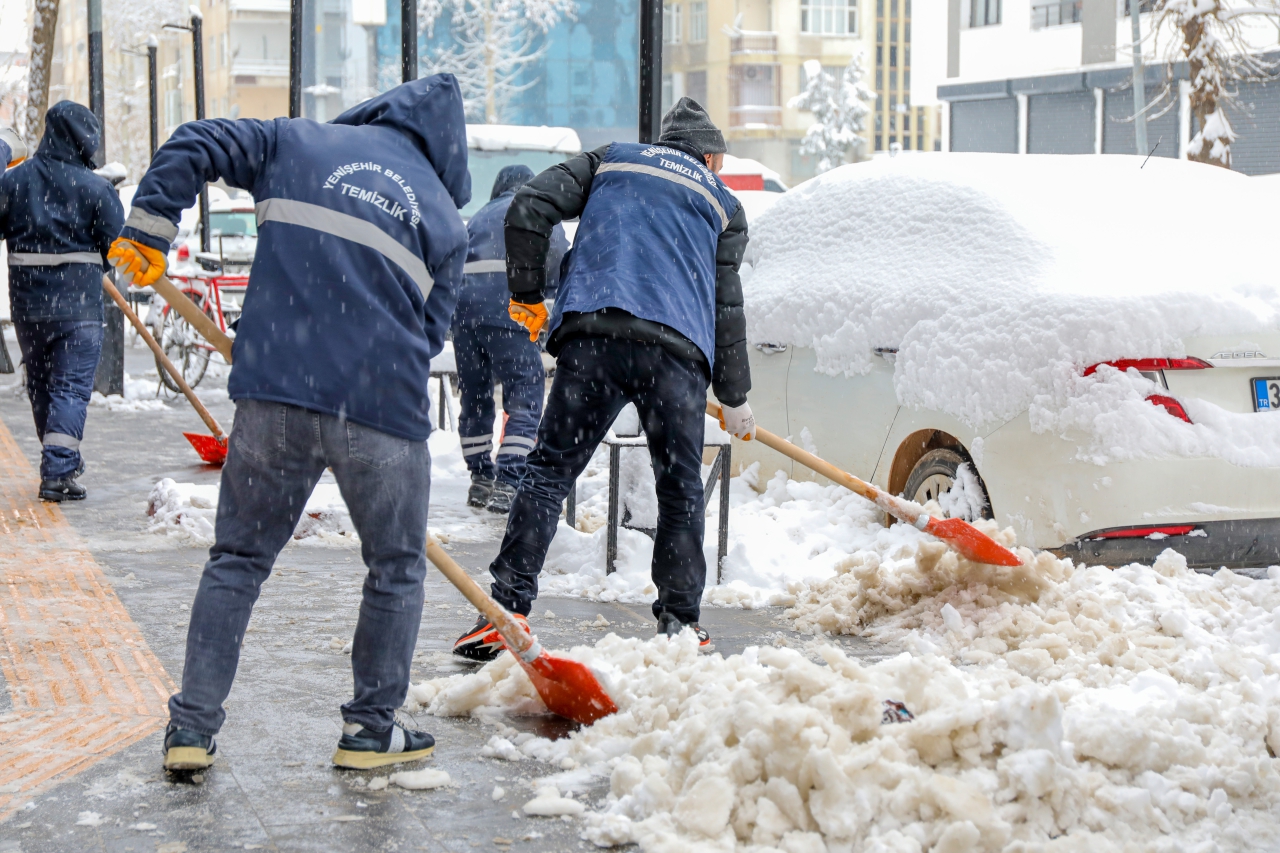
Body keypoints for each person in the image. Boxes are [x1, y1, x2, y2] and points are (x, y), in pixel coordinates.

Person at [108, 75, 471, 772]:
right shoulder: (445, 221)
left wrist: (150, 225)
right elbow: (429, 335)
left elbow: (196, 140)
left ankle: (191, 729)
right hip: (382, 409)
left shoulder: (295, 143)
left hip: (276, 390)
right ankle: (370, 731)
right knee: (395, 567)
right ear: (448, 152)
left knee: (238, 560)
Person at [453, 98, 756, 661]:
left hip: (593, 335)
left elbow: (530, 205)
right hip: (676, 354)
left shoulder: (612, 159)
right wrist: (735, 396)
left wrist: (527, 296)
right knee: (680, 490)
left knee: (548, 474)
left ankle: (505, 610)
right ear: (710, 156)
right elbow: (726, 305)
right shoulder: (723, 202)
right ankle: (680, 625)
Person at [0, 102, 123, 502]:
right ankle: (57, 472)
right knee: (69, 390)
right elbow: (117, 248)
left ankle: (62, 464)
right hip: (79, 310)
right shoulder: (97, 189)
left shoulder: (14, 182)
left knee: (42, 388)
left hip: (29, 308)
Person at [452, 165, 567, 514]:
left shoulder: (479, 216)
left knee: (475, 394)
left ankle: (479, 476)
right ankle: (509, 479)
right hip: (510, 311)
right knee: (524, 394)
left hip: (465, 315)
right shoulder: (539, 209)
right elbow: (560, 264)